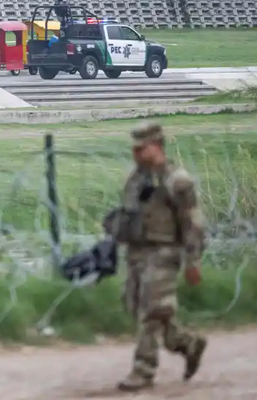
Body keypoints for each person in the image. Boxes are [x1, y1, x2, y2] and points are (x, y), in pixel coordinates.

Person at [103, 122, 208, 392]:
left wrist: (193, 261)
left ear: (157, 146)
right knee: (136, 306)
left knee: (151, 313)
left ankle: (143, 371)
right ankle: (187, 343)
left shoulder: (177, 180)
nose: (136, 154)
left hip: (164, 253)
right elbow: (129, 213)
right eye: (134, 149)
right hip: (136, 253)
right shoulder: (136, 179)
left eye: (142, 148)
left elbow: (192, 223)